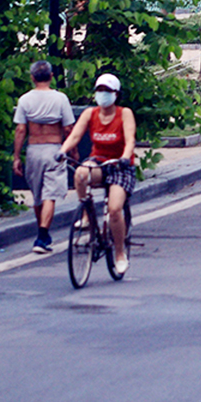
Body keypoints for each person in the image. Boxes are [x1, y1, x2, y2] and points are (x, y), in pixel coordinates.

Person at [57, 74, 136, 273]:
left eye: (107, 91)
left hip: (120, 165)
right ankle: (86, 213)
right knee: (80, 173)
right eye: (100, 91)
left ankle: (119, 253)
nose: (103, 95)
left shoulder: (124, 113)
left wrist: (125, 158)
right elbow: (75, 136)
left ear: (116, 94)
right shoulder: (89, 114)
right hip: (99, 161)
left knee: (115, 208)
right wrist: (62, 151)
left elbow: (130, 141)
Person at [12, 61, 75, 253]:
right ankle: (42, 235)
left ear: (32, 78)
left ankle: (43, 234)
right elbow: (68, 128)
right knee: (50, 195)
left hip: (33, 150)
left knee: (38, 195)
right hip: (54, 149)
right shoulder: (60, 99)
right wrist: (73, 152)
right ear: (51, 76)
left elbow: (21, 129)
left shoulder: (24, 100)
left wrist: (16, 156)